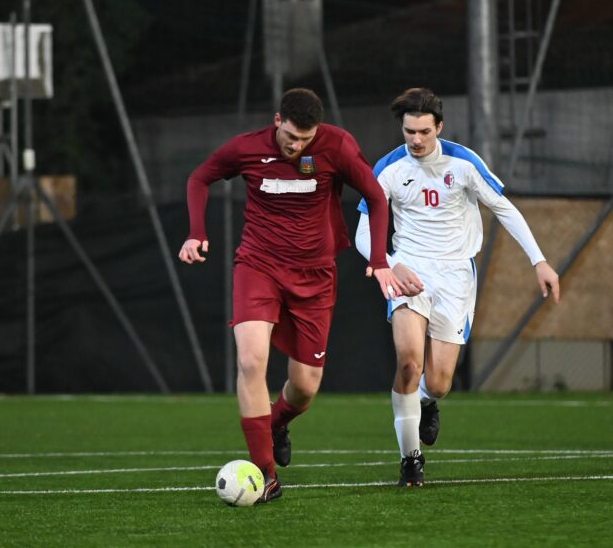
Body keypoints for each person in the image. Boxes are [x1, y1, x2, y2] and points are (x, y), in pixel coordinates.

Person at [179, 88, 404, 502]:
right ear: (277, 120)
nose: (296, 145)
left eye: (305, 139)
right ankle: (266, 476)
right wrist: (196, 232)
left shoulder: (336, 145)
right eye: (291, 136)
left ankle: (277, 422)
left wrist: (380, 258)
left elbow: (375, 196)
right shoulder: (247, 148)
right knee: (251, 361)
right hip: (258, 267)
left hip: (314, 277)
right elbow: (199, 178)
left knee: (304, 387)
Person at [354, 87, 560, 486]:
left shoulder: (464, 163)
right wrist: (390, 264)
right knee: (409, 362)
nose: (416, 140)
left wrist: (539, 261)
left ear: (440, 127)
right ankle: (410, 459)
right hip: (408, 270)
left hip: (455, 276)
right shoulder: (388, 168)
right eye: (409, 131)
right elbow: (364, 231)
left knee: (440, 381)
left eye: (424, 132)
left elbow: (503, 208)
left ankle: (427, 402)